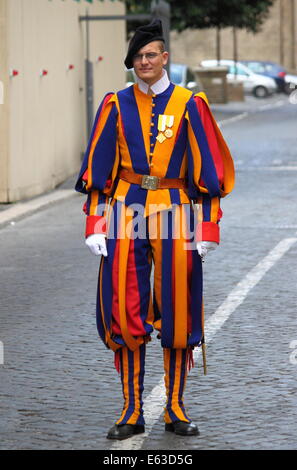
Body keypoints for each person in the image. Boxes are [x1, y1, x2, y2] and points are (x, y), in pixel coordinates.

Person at [75, 19, 235, 440]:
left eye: (151, 55)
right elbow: (99, 168)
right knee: (125, 311)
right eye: (137, 58)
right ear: (131, 64)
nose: (144, 63)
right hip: (125, 212)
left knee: (178, 312)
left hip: (177, 211)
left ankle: (176, 408)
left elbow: (208, 170)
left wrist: (209, 226)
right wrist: (95, 222)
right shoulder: (115, 103)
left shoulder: (190, 104)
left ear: (165, 58)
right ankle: (131, 408)